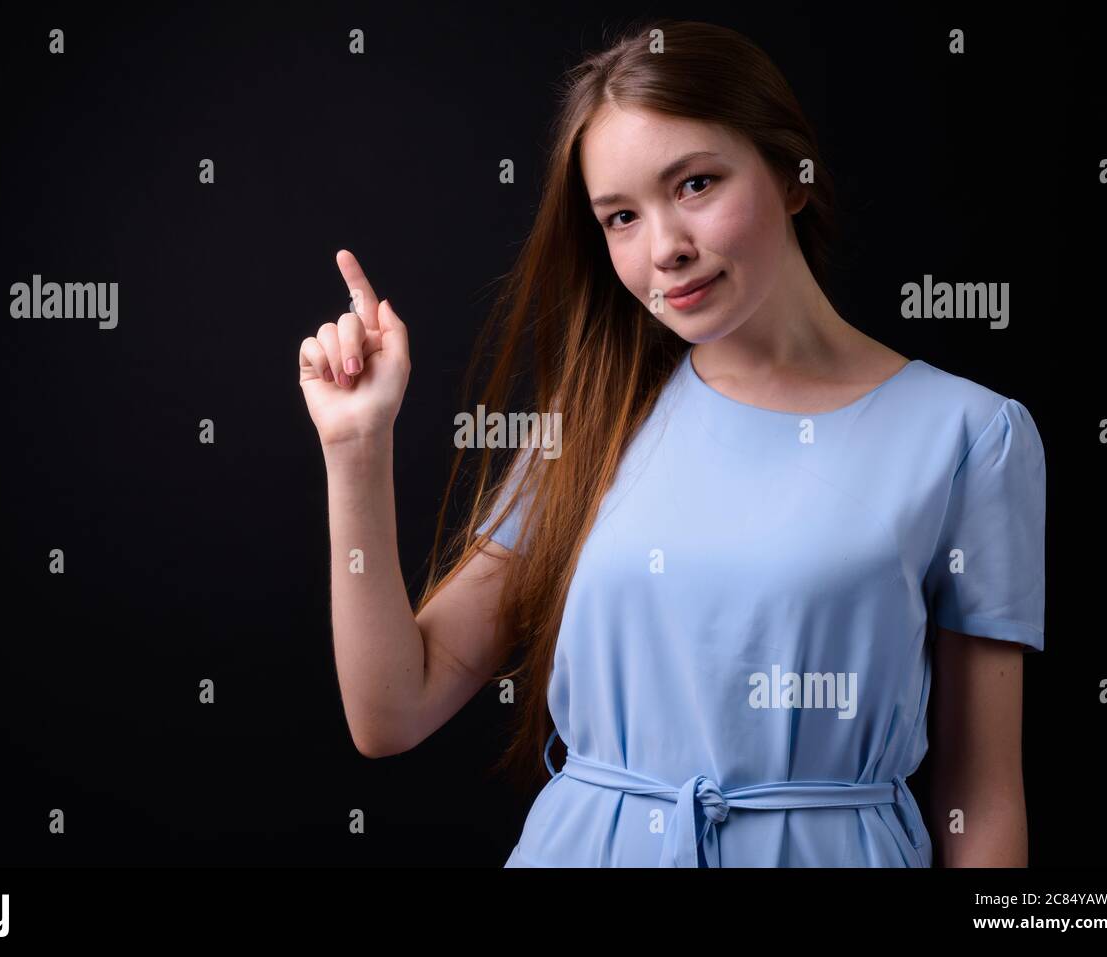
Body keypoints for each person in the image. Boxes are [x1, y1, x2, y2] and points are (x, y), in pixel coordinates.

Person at [297, 20, 1046, 867]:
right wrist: (356, 449)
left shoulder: (969, 435)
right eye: (621, 216)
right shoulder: (594, 423)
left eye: (695, 184)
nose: (665, 249)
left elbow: (980, 803)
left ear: (792, 176)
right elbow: (391, 711)